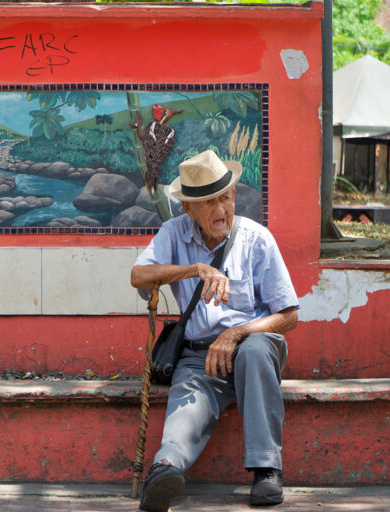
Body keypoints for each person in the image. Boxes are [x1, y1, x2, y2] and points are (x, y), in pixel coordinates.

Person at [130, 150, 299, 511]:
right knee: (185, 409)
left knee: (254, 351)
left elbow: (288, 315)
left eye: (224, 197)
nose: (219, 209)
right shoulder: (173, 233)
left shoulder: (257, 239)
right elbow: (138, 276)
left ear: (234, 195)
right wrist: (194, 269)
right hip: (197, 355)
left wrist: (236, 334)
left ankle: (267, 470)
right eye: (207, 202)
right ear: (188, 209)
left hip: (253, 348)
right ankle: (165, 470)